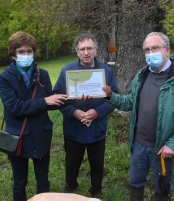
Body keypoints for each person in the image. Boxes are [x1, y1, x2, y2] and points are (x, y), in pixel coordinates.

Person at [102, 32, 174, 201]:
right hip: (139, 144)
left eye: (155, 48)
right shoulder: (142, 74)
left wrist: (173, 144)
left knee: (162, 189)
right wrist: (111, 96)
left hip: (163, 149)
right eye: (146, 50)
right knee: (135, 183)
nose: (150, 53)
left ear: (167, 50)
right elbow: (130, 102)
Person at [0, 31, 68, 201]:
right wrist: (45, 101)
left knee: (43, 181)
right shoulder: (4, 78)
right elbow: (15, 107)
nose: (26, 55)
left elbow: (50, 100)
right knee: (20, 182)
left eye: (29, 51)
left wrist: (74, 96)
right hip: (17, 136)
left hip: (40, 134)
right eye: (21, 52)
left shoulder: (41, 74)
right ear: (13, 54)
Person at [53, 32, 119, 198]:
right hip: (74, 128)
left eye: (90, 48)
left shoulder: (106, 71)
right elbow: (57, 98)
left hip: (97, 128)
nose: (86, 52)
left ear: (96, 50)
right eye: (82, 49)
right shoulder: (67, 71)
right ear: (77, 52)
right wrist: (74, 112)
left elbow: (115, 98)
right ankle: (70, 187)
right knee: (72, 162)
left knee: (97, 164)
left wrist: (97, 113)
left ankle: (96, 191)